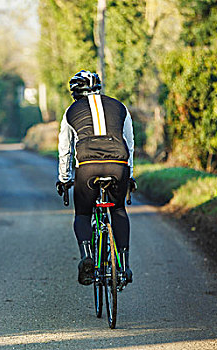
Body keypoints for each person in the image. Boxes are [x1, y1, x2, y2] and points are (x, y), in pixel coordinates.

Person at [56, 70, 136, 286]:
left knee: (83, 213)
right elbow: (129, 142)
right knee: (118, 209)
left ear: (75, 92)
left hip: (88, 166)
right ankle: (125, 267)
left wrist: (64, 178)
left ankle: (87, 256)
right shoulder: (120, 107)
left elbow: (65, 148)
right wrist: (130, 175)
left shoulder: (71, 111)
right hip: (119, 164)